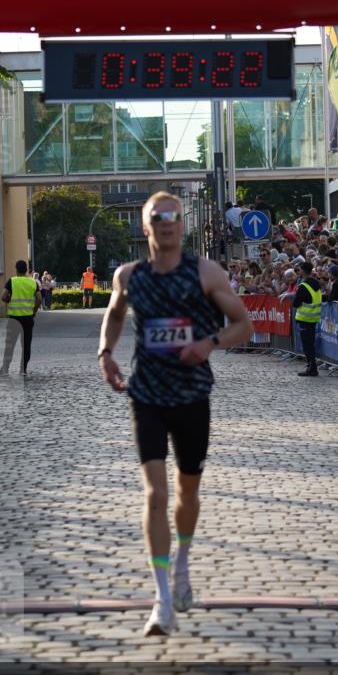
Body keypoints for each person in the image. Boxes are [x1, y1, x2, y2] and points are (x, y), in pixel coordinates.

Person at [98, 191, 251, 637]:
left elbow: (244, 325)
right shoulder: (128, 276)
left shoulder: (205, 272)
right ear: (145, 227)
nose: (166, 223)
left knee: (187, 492)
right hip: (146, 395)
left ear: (182, 225)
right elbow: (114, 314)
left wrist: (209, 343)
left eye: (174, 216)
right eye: (157, 217)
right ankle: (162, 598)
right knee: (155, 496)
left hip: (191, 395)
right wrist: (105, 353)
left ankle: (182, 564)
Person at [1, 260, 42, 374]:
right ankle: (23, 369)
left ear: (16, 269)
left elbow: (3, 296)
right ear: (26, 269)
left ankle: (5, 368)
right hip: (28, 318)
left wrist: (9, 300)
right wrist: (34, 311)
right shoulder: (33, 282)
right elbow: (39, 299)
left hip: (14, 318)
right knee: (26, 345)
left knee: (10, 344)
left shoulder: (12, 281)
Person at [292, 261, 322, 377]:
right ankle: (312, 366)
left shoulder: (304, 286)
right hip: (314, 318)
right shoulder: (317, 284)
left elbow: (295, 303)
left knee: (307, 345)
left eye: (299, 270)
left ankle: (312, 368)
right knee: (310, 344)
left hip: (305, 319)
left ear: (303, 271)